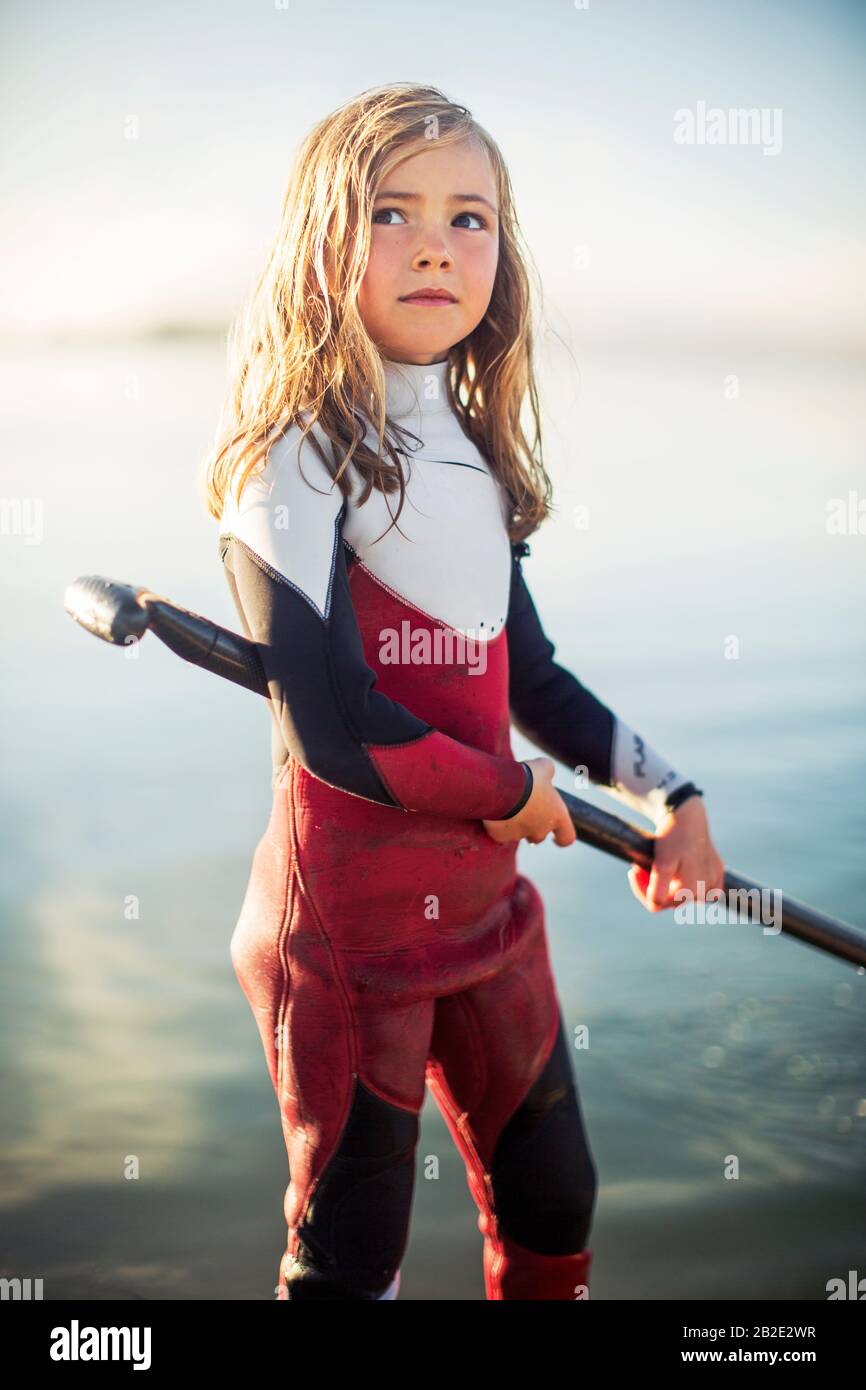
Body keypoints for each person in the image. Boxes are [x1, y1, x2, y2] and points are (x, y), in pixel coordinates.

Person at [198, 82, 725, 1301]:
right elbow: (325, 725)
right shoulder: (292, 449)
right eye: (390, 210)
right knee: (352, 1258)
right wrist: (505, 787)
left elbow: (528, 675)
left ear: (503, 252)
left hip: (487, 917)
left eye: (469, 216)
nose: (435, 240)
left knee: (555, 1200)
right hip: (345, 940)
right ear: (319, 243)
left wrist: (669, 794)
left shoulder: (475, 452)